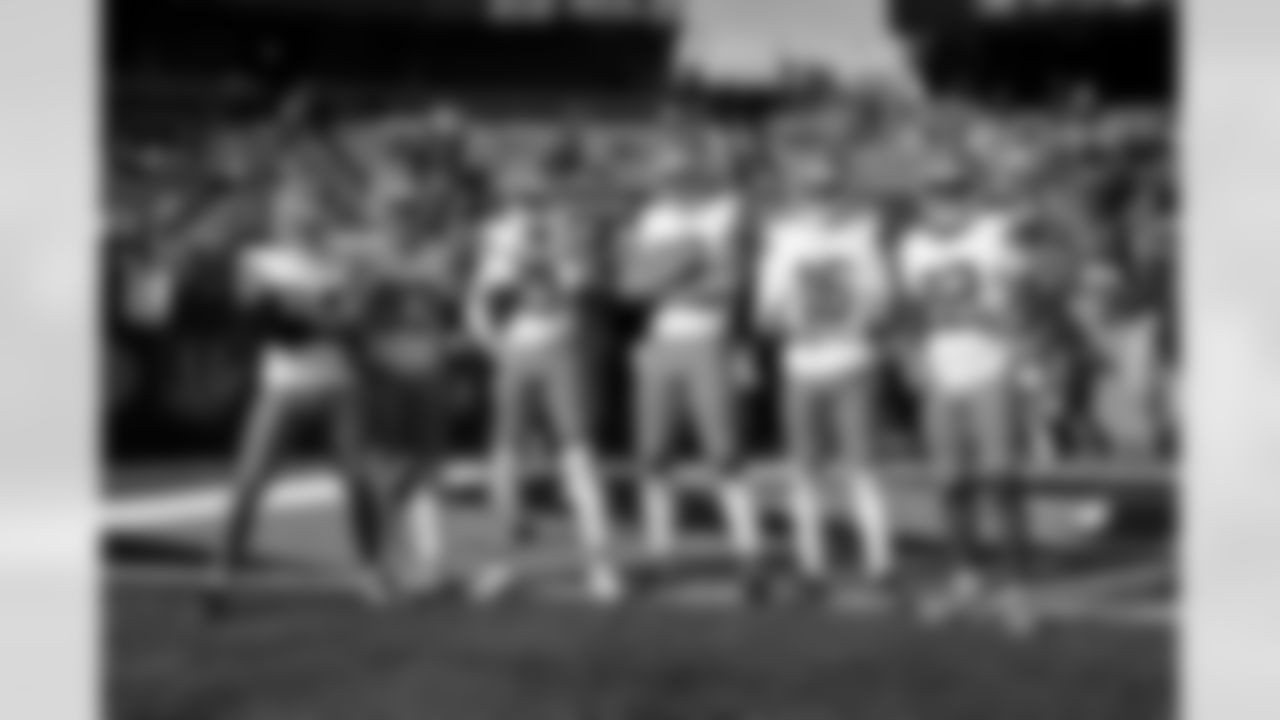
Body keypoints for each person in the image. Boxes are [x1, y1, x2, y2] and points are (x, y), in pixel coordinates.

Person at [204, 167, 385, 615]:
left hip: (339, 385)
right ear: (280, 212)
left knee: (359, 480)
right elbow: (264, 327)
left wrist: (297, 309)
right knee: (248, 482)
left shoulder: (344, 260)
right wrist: (317, 312)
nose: (304, 215)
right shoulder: (257, 259)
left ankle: (371, 572)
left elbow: (350, 323)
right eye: (295, 206)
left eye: (312, 206)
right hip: (282, 386)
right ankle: (221, 577)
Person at [467, 163, 623, 604]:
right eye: (518, 193)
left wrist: (547, 255)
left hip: (559, 348)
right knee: (504, 460)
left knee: (578, 454)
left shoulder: (567, 231)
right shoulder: (495, 235)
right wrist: (493, 343)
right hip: (516, 352)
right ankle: (503, 563)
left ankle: (602, 564)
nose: (526, 201)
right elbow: (480, 297)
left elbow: (580, 285)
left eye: (532, 193)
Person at [896, 167, 1040, 634]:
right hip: (941, 370)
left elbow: (1028, 285)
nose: (946, 204)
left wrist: (1020, 342)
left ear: (969, 196)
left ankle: (1017, 591)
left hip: (992, 367)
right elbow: (912, 310)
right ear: (923, 200)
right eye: (938, 195)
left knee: (1003, 482)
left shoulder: (994, 233)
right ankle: (966, 581)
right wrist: (912, 357)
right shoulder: (912, 245)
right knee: (952, 484)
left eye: (954, 194)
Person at [619, 136, 765, 587]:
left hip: (709, 338)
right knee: (653, 455)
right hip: (661, 340)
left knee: (725, 455)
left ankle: (750, 553)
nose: (675, 184)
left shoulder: (726, 211)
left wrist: (665, 274)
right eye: (669, 176)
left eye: (684, 175)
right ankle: (660, 554)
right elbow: (631, 287)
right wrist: (687, 262)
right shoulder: (652, 216)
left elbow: (730, 283)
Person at [754, 153, 897, 597]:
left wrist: (843, 314)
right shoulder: (782, 236)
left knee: (863, 469)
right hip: (803, 362)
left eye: (827, 190)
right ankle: (811, 565)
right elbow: (765, 312)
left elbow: (883, 302)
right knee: (805, 471)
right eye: (813, 191)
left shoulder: (862, 234)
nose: (820, 200)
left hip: (851, 359)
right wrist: (795, 320)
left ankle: (882, 565)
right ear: (798, 194)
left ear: (840, 192)